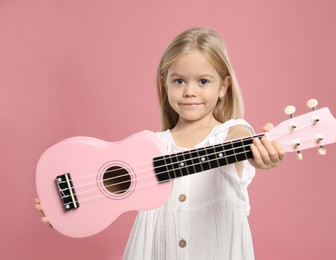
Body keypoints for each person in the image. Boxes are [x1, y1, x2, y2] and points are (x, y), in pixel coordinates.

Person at [35, 27, 285, 259]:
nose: (190, 91)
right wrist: (64, 208)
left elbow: (239, 140)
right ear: (164, 84)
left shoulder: (231, 133)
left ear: (224, 87)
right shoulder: (152, 145)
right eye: (179, 81)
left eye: (203, 81)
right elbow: (102, 189)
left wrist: (256, 151)